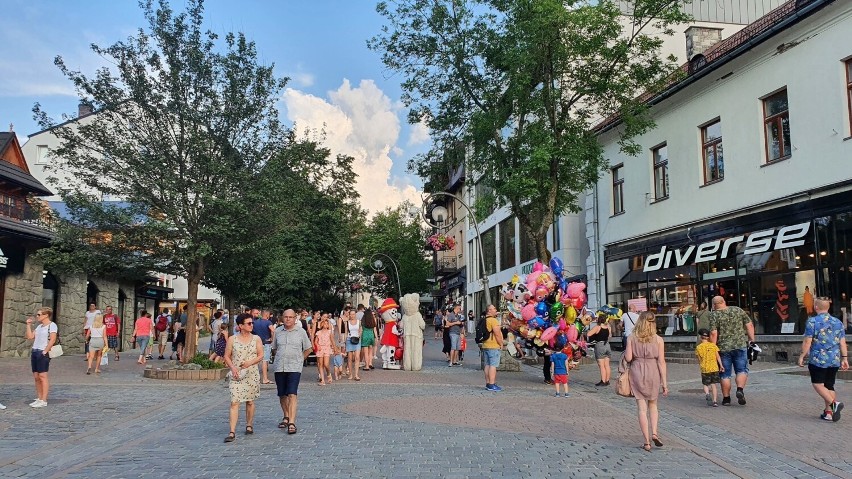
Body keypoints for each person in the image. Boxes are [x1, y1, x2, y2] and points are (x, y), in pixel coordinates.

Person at [798, 297, 848, 422]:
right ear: (828, 307)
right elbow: (842, 342)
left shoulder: (812, 322)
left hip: (818, 359)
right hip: (834, 359)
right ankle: (829, 413)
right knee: (829, 385)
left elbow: (807, 341)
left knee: (818, 384)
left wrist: (802, 355)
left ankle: (834, 404)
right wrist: (845, 358)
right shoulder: (838, 322)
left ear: (816, 307)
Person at [624, 311, 668, 452]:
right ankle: (654, 432)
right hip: (653, 370)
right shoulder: (659, 339)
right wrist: (665, 383)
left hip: (637, 371)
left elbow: (629, 358)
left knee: (642, 409)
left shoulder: (632, 337)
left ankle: (647, 442)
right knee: (653, 405)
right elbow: (662, 362)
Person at [272, 309, 313, 435]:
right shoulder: (278, 331)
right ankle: (286, 415)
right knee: (282, 394)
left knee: (292, 393)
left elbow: (308, 348)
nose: (288, 319)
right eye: (286, 317)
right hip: (280, 366)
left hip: (294, 367)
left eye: (291, 317)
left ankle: (292, 422)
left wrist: (300, 359)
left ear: (295, 318)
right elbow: (274, 348)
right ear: (282, 318)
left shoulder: (301, 332)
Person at [709, 295, 755, 406]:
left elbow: (713, 333)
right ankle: (740, 389)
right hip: (740, 346)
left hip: (723, 348)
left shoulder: (714, 315)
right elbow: (749, 325)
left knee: (725, 374)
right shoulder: (737, 310)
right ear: (724, 301)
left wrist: (712, 348)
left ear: (714, 305)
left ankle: (726, 399)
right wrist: (751, 340)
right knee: (742, 370)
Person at [224, 313, 263, 443]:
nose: (251, 325)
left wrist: (250, 363)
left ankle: (249, 424)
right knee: (234, 401)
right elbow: (227, 356)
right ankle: (232, 431)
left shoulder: (256, 338)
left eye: (252, 323)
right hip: (237, 374)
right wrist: (233, 368)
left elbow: (261, 355)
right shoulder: (232, 339)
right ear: (241, 326)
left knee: (250, 401)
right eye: (248, 323)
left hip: (251, 373)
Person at [25, 307, 57, 408]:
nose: (37, 316)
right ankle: (39, 398)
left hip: (42, 352)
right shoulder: (39, 327)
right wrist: (28, 325)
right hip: (35, 351)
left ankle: (44, 399)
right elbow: (30, 337)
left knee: (43, 376)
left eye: (39, 315)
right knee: (36, 377)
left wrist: (45, 351)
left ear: (46, 315)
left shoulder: (52, 325)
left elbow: (52, 339)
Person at [695, 328, 723, 407]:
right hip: (714, 368)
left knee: (705, 384)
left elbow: (699, 359)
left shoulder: (698, 347)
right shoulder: (713, 345)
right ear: (708, 337)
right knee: (713, 385)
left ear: (700, 337)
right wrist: (721, 365)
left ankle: (707, 394)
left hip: (705, 368)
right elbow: (718, 357)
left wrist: (701, 364)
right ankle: (715, 401)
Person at [480, 304, 504, 392]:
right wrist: (501, 343)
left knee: (487, 365)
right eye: (494, 308)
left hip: (485, 344)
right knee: (493, 365)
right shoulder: (493, 320)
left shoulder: (484, 320)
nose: (495, 310)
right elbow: (497, 333)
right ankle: (492, 384)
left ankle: (487, 383)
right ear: (489, 310)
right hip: (493, 345)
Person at [587, 313, 612, 387]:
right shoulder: (608, 327)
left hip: (600, 345)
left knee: (601, 365)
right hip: (607, 345)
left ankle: (603, 381)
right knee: (607, 365)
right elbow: (610, 336)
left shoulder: (598, 327)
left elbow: (588, 334)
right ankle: (607, 380)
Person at [251, 309, 275, 385]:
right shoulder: (268, 322)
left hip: (256, 343)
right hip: (265, 343)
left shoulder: (254, 322)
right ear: (267, 315)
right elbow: (273, 330)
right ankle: (265, 379)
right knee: (265, 361)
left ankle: (254, 378)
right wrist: (272, 338)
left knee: (256, 360)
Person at [313, 317, 337, 385]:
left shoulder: (329, 332)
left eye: (327, 323)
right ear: (322, 324)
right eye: (325, 323)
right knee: (320, 364)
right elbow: (316, 341)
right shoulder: (318, 332)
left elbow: (332, 341)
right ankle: (322, 380)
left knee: (326, 364)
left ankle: (329, 374)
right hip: (320, 349)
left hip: (327, 348)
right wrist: (318, 345)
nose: (326, 325)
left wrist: (335, 348)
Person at [344, 310, 362, 381]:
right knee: (350, 358)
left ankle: (356, 374)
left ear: (355, 314)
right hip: (349, 339)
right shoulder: (347, 323)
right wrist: (345, 342)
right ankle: (351, 374)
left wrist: (359, 336)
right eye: (351, 314)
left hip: (357, 339)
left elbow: (361, 330)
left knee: (357, 357)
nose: (352, 316)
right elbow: (346, 332)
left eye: (353, 314)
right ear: (349, 315)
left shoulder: (359, 322)